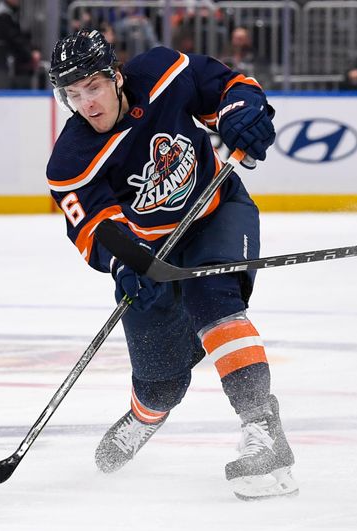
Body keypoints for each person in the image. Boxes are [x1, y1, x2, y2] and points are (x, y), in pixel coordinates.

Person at [46, 29, 296, 500]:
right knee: (160, 379)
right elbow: (97, 233)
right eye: (73, 94)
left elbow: (228, 87)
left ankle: (263, 430)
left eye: (93, 87)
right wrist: (128, 266)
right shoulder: (71, 162)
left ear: (116, 77)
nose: (87, 104)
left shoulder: (163, 72)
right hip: (151, 254)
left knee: (213, 302)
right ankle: (144, 417)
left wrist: (242, 111)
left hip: (217, 212)